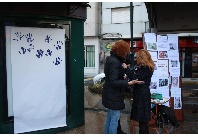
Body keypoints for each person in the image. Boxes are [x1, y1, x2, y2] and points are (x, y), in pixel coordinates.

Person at [102, 40, 144, 134]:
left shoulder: (110, 59)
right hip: (114, 95)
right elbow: (114, 82)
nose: (126, 53)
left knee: (110, 117)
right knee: (114, 119)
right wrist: (128, 83)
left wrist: (121, 76)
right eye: (125, 51)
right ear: (121, 51)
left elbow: (111, 78)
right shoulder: (115, 62)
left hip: (110, 93)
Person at [130, 49, 154, 134]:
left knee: (142, 121)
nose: (136, 59)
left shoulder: (146, 68)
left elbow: (135, 77)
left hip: (142, 96)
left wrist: (128, 70)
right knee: (142, 121)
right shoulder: (143, 67)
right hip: (141, 94)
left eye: (137, 57)